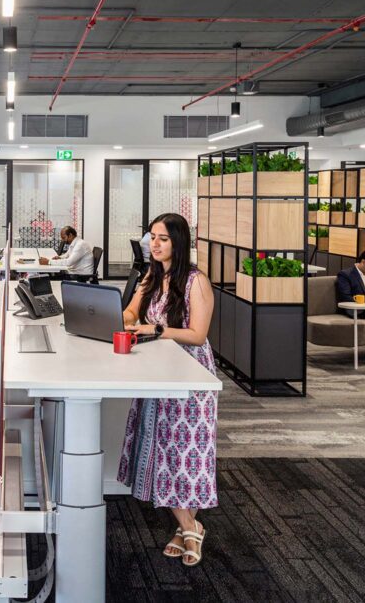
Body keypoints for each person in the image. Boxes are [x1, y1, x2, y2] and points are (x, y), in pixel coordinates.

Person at [116, 213, 217, 569]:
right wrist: (128, 320)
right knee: (163, 449)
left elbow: (198, 335)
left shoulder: (195, 280)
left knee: (186, 452)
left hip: (190, 375)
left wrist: (156, 329)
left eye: (162, 239)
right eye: (152, 238)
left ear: (178, 241)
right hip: (158, 370)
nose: (154, 244)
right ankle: (188, 526)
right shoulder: (151, 275)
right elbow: (129, 312)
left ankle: (189, 527)